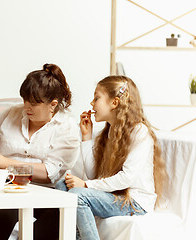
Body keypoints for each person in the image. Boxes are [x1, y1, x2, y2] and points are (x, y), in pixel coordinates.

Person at [56, 75, 167, 240]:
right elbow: (95, 174)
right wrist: (86, 137)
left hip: (134, 202)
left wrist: (85, 185)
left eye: (96, 98)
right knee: (61, 186)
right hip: (115, 195)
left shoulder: (139, 132)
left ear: (114, 103)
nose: (92, 104)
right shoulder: (108, 132)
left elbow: (126, 179)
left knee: (78, 195)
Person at [0, 63, 81, 240]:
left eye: (34, 103)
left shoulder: (67, 128)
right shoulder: (10, 114)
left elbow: (49, 173)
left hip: (48, 192)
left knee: (54, 221)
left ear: (53, 105)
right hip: (8, 187)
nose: (27, 107)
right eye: (25, 100)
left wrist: (7, 164)